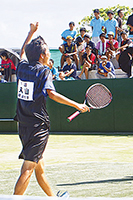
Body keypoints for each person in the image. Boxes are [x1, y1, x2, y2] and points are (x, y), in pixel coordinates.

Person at [13, 22, 89, 196]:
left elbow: (23, 51)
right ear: (41, 56)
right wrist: (77, 105)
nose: (49, 54)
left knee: (39, 168)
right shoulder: (44, 71)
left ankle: (53, 198)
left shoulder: (22, 67)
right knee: (28, 169)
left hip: (23, 125)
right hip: (37, 127)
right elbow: (52, 94)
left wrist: (30, 32)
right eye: (47, 52)